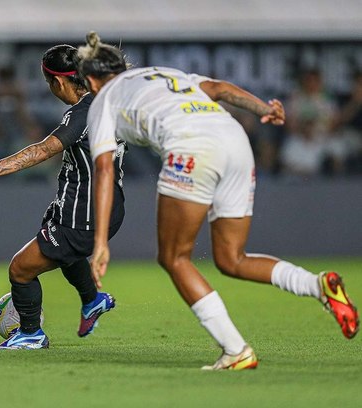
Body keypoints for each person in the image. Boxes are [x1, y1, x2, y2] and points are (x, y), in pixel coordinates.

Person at [78, 32, 359, 370]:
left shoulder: (103, 101)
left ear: (92, 80)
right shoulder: (166, 74)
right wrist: (264, 108)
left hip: (192, 148)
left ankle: (235, 349)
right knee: (231, 258)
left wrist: (100, 243)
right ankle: (317, 285)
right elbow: (221, 89)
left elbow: (105, 170)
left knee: (174, 257)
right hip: (235, 141)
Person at [0, 45, 127, 350]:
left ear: (58, 82)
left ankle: (30, 333)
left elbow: (45, 149)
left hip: (84, 213)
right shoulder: (107, 103)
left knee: (20, 269)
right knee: (66, 254)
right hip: (104, 208)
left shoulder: (83, 112)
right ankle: (92, 300)